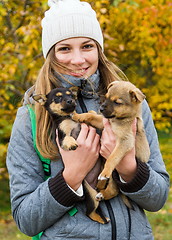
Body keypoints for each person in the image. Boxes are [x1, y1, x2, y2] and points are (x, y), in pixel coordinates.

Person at [6, 0, 169, 239]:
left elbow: (158, 199)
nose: (78, 59)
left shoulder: (132, 104)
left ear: (99, 50)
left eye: (87, 46)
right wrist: (71, 176)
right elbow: (25, 219)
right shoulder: (32, 117)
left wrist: (128, 167)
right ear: (50, 54)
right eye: (64, 49)